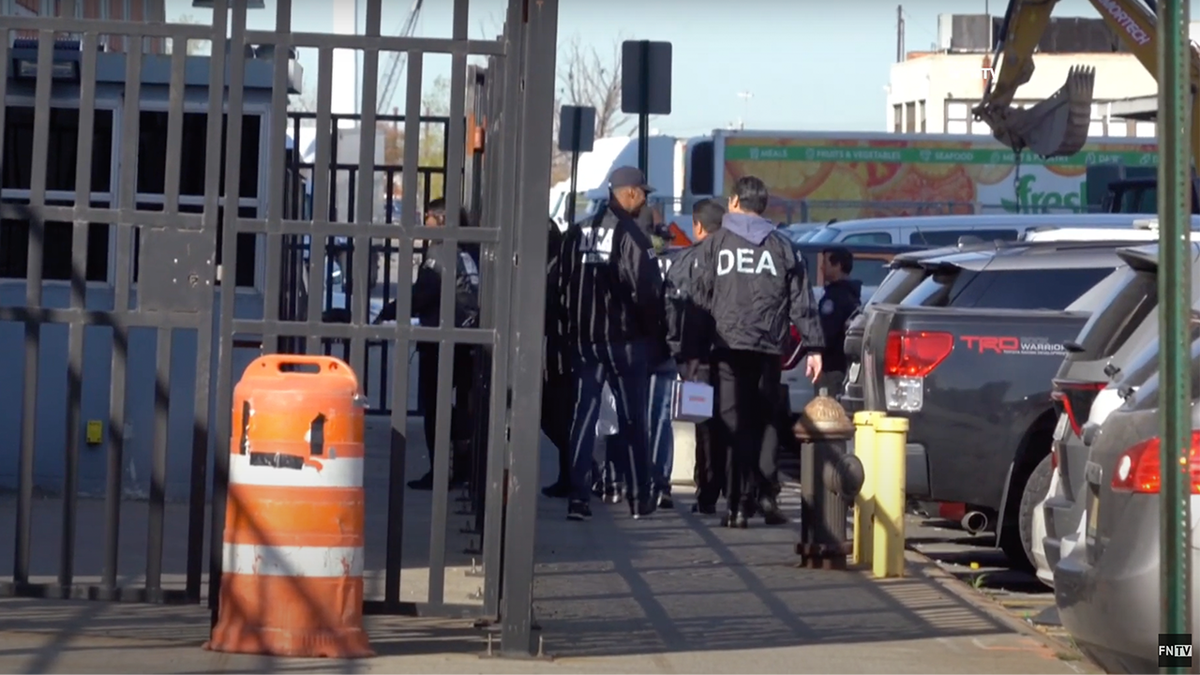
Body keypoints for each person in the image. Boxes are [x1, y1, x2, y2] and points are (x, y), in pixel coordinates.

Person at [692, 175, 824, 528]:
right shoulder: (783, 247)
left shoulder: (715, 245)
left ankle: (736, 505)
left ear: (734, 202)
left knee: (732, 424)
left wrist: (693, 345)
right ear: (763, 206)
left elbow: (694, 293)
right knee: (765, 419)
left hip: (727, 347)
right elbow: (801, 300)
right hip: (768, 348)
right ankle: (765, 493)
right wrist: (813, 346)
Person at [553, 166, 665, 521]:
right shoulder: (632, 235)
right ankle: (638, 494)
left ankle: (578, 497)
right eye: (643, 192)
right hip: (624, 342)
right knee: (633, 419)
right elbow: (649, 293)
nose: (646, 198)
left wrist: (568, 327)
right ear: (629, 193)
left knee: (582, 417)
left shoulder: (576, 232)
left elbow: (558, 283)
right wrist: (651, 335)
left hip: (585, 341)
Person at [376, 199, 480, 490]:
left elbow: (424, 293)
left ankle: (440, 473)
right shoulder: (468, 251)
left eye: (429, 218)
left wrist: (390, 310)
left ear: (441, 220)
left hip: (442, 339)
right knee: (460, 406)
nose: (425, 224)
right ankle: (463, 469)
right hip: (467, 337)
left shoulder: (438, 252)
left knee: (435, 408)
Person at [663, 198, 726, 514]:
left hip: (697, 358)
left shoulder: (685, 261)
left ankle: (707, 493)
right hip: (732, 352)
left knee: (704, 425)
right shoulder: (733, 257)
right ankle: (740, 491)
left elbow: (676, 310)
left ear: (697, 225)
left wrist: (682, 354)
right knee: (735, 420)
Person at [542, 218, 576, 498]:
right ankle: (572, 469)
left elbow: (552, 308)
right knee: (555, 413)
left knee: (557, 413)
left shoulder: (559, 268)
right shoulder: (556, 265)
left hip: (562, 349)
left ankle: (572, 472)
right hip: (559, 346)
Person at [816, 246, 862, 395]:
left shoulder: (835, 298)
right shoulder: (852, 295)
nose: (822, 268)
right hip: (844, 365)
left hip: (831, 367)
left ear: (838, 266)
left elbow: (827, 332)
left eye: (826, 263)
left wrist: (814, 349)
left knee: (826, 411)